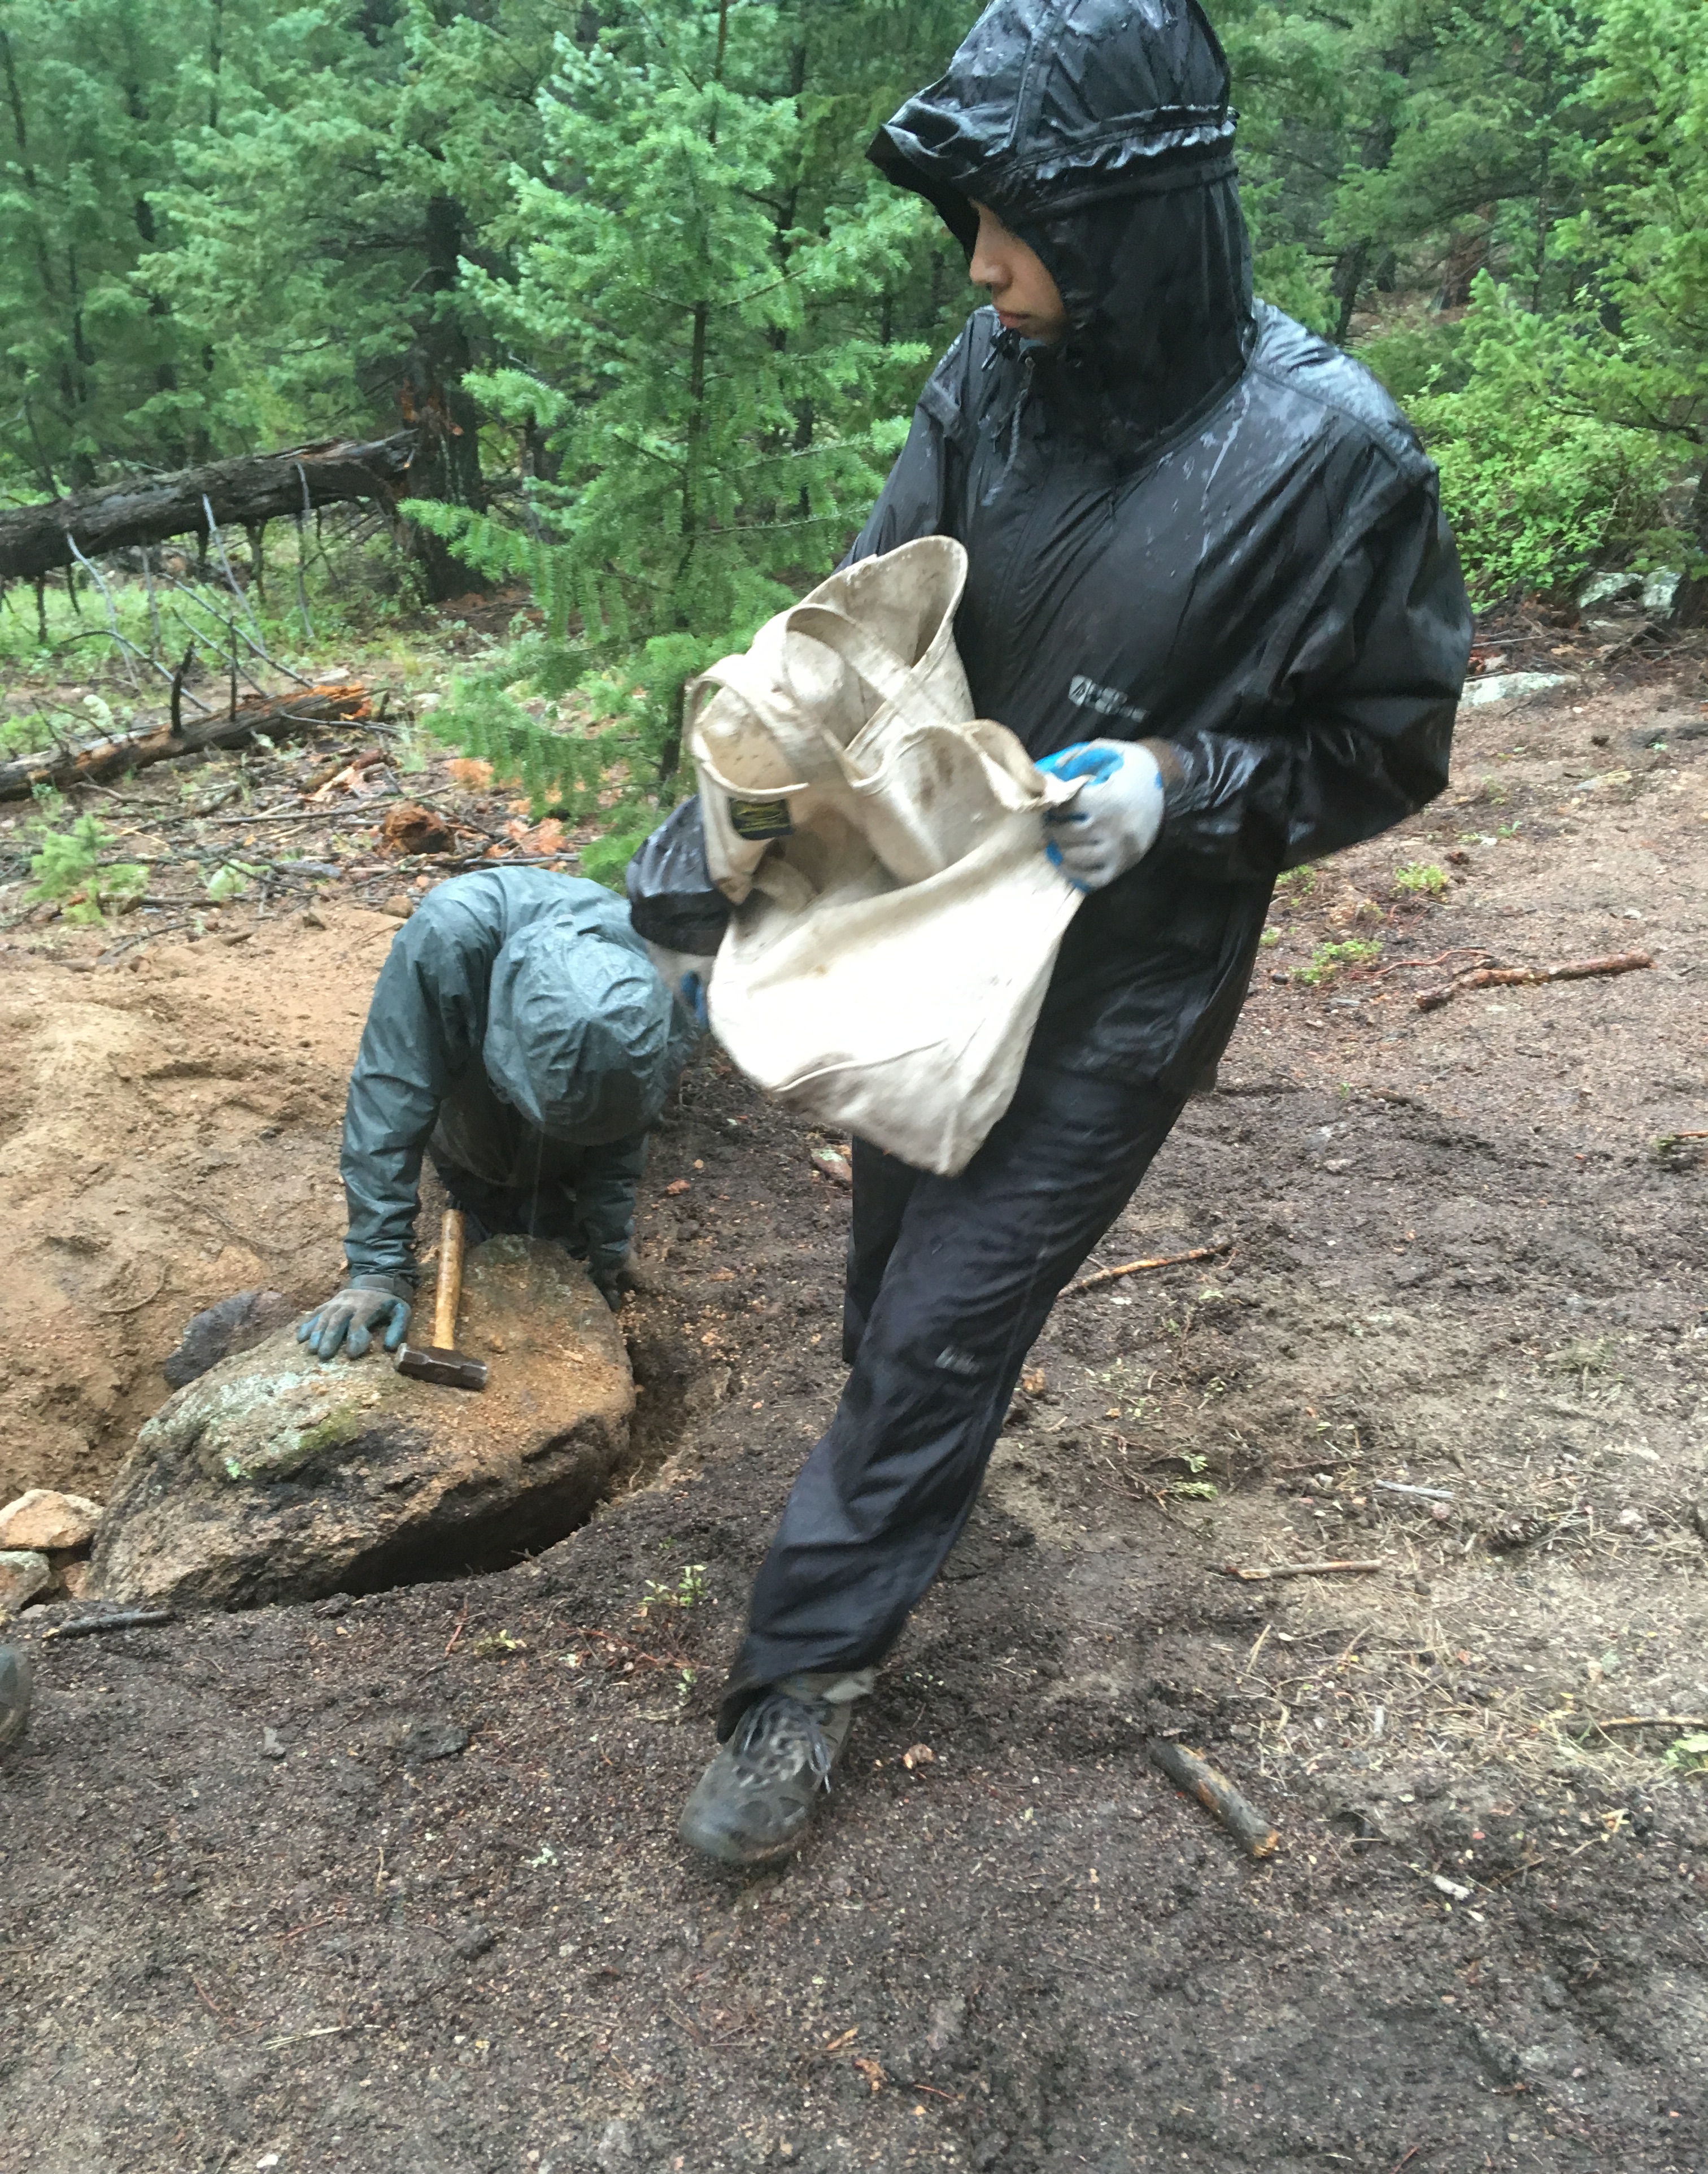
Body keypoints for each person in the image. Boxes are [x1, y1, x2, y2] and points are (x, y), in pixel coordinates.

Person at [638, 0, 1472, 1865]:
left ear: (1133, 228)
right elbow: (862, 627)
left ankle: (802, 1679)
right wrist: (719, 823)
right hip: (931, 940)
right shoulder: (993, 375)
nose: (984, 263)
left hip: (1123, 982)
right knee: (893, 1283)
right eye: (979, 223)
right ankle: (902, 1489)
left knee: (940, 1326)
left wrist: (1184, 789)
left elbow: (1388, 742)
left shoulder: (1336, 460)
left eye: (1020, 226)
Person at [299, 869, 701, 1360]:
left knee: (590, 1101)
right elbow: (391, 1096)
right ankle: (476, 1183)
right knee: (484, 1166)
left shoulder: (656, 977)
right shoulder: (448, 941)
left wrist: (609, 1239)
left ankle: (552, 1181)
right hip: (471, 1005)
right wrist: (379, 1267)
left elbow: (624, 1120)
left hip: (583, 1043)